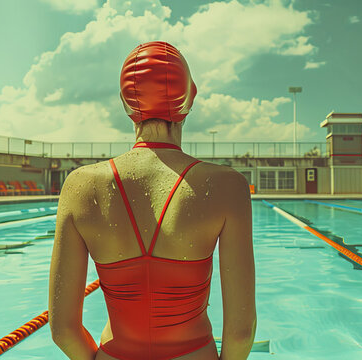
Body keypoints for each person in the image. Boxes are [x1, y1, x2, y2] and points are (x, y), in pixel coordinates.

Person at [49, 41, 256, 360]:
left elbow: (63, 329)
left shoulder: (80, 186)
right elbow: (241, 332)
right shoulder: (227, 186)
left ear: (127, 104)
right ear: (190, 100)